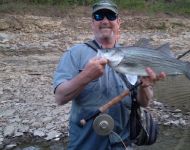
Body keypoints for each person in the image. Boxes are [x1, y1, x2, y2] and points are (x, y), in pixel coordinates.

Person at [53, 0, 166, 149]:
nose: (105, 21)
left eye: (110, 16)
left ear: (118, 22)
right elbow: (60, 98)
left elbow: (144, 103)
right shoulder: (75, 53)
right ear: (92, 23)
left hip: (122, 144)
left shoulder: (133, 55)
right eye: (99, 16)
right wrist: (86, 76)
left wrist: (144, 87)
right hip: (84, 145)